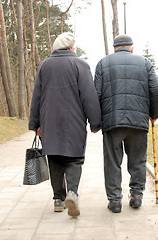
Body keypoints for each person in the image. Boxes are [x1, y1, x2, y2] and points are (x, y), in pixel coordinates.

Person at [28, 32, 101, 217]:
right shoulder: (80, 65)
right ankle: (72, 193)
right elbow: (89, 96)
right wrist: (95, 122)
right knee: (74, 159)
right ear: (71, 47)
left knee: (54, 159)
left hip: (49, 122)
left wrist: (35, 123)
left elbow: (37, 96)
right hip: (74, 122)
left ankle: (58, 199)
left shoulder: (45, 66)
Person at [94, 34, 158, 213]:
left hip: (112, 122)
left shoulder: (103, 63)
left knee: (112, 163)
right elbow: (156, 89)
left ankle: (115, 201)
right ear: (132, 47)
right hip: (138, 122)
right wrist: (153, 115)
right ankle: (136, 196)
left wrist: (96, 122)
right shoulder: (144, 63)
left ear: (114, 47)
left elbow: (96, 94)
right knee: (138, 160)